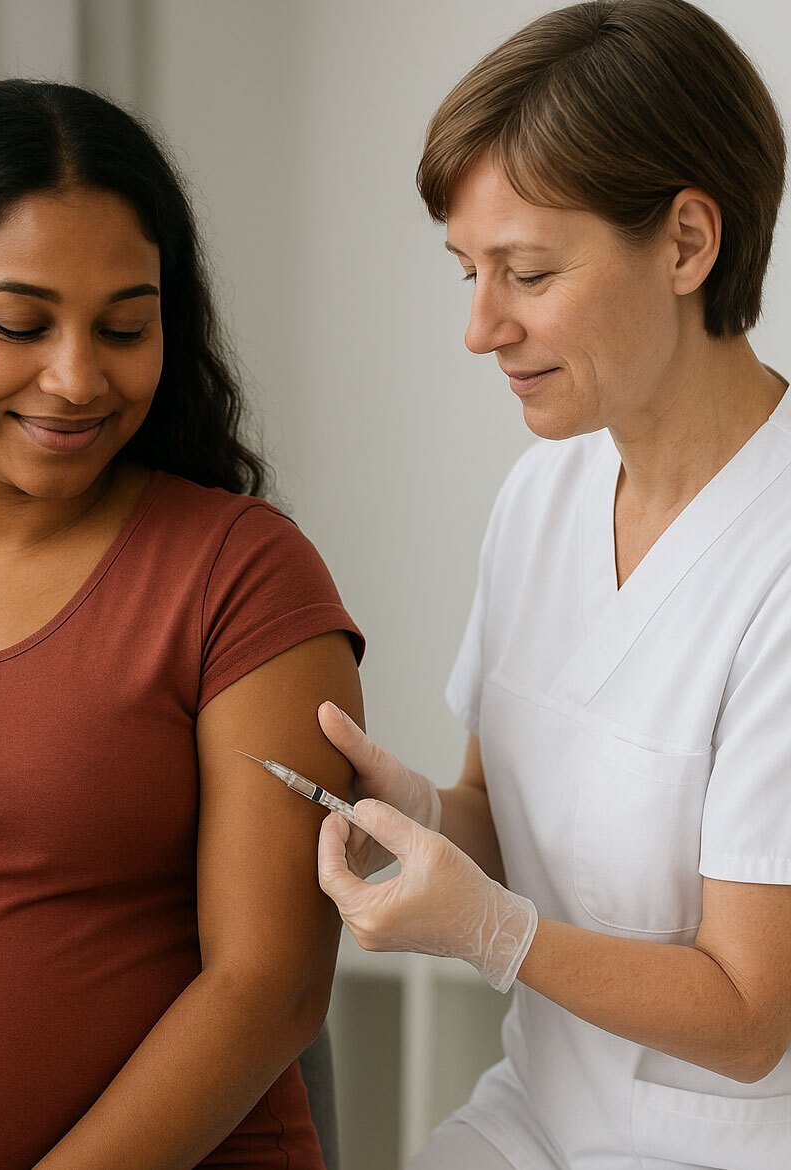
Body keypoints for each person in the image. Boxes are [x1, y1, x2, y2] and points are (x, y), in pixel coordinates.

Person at [0, 80, 364, 1170]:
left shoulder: (242, 575)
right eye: (19, 324)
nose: (78, 377)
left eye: (125, 327)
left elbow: (269, 984)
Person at [315, 2, 791, 1167]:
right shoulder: (542, 497)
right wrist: (424, 817)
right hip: (534, 1115)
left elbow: (747, 1017)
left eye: (525, 271)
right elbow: (508, 818)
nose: (480, 328)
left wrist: (486, 931)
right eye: (467, 272)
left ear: (685, 243)